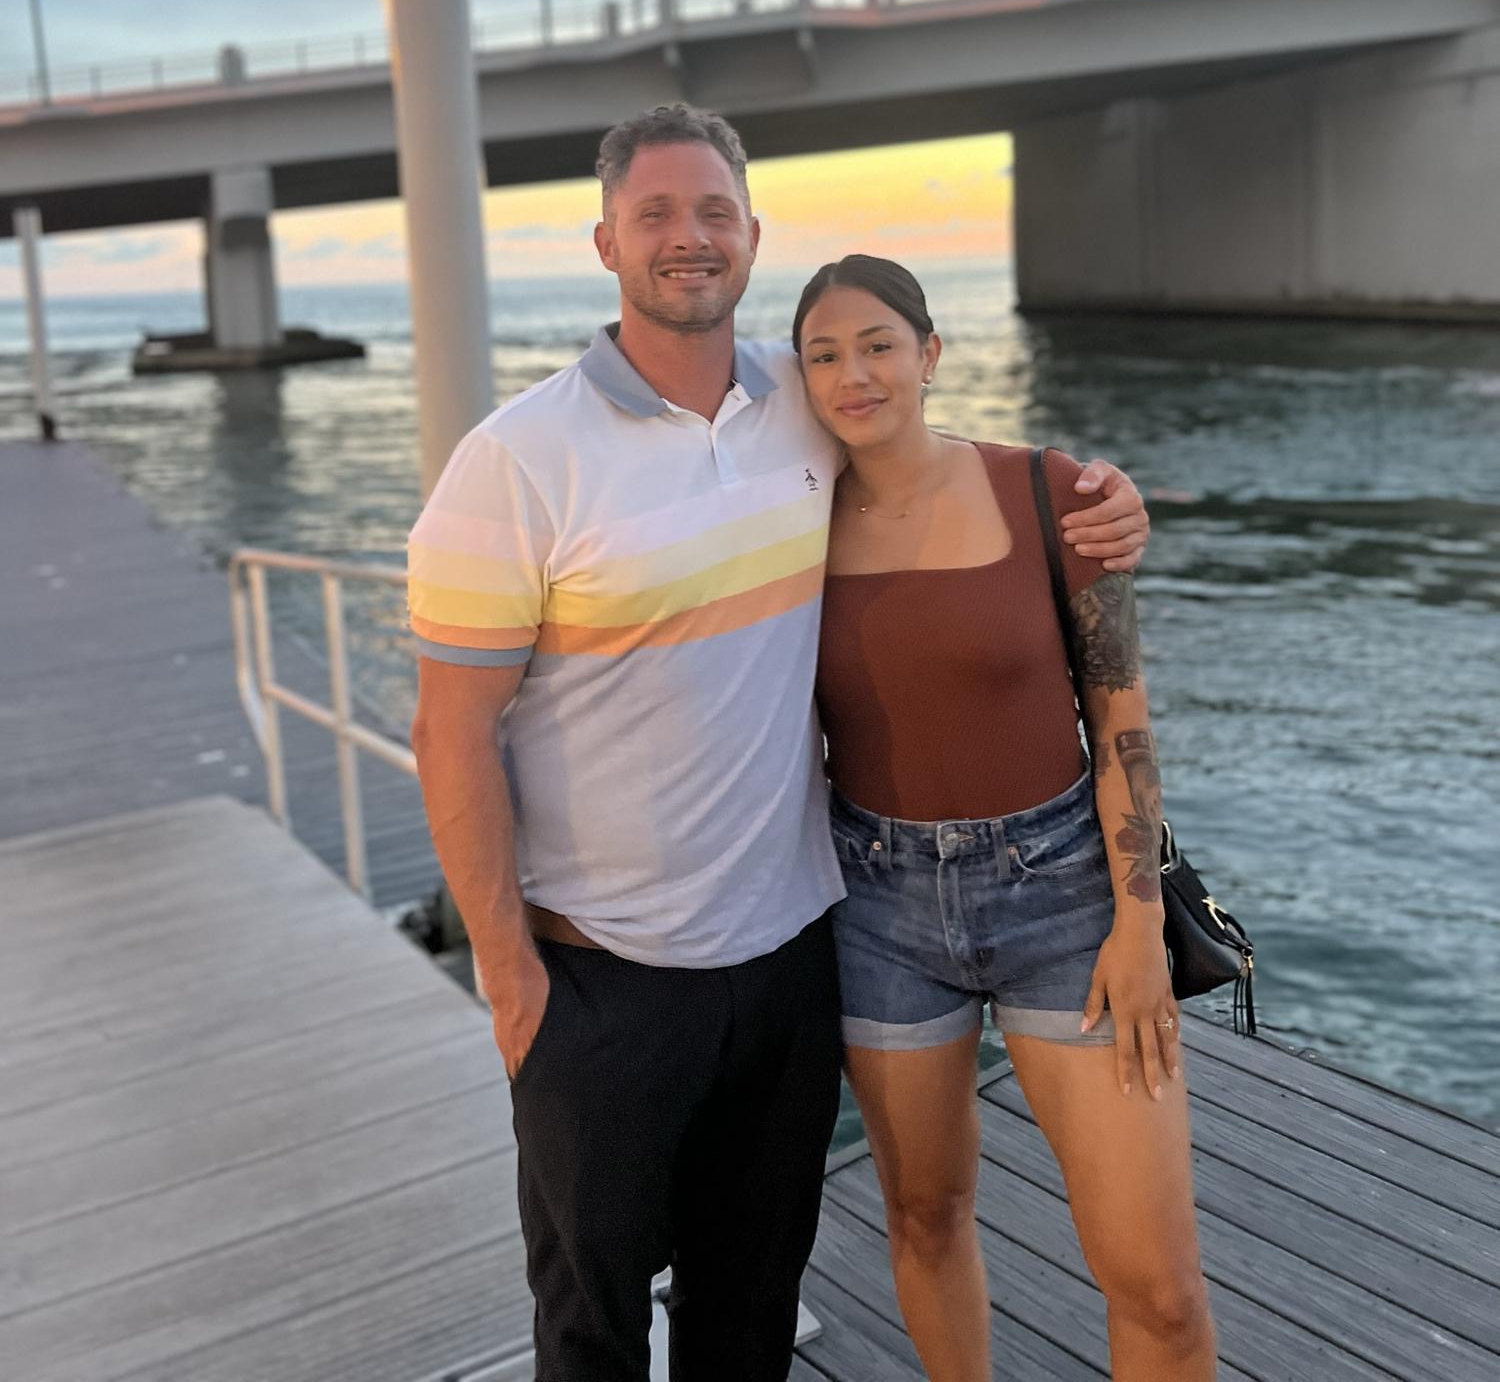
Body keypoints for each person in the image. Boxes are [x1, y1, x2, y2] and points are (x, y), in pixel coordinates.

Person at [407, 104, 1151, 1382]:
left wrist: (1097, 494)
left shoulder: (806, 410)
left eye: (712, 213)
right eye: (655, 214)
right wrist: (510, 978)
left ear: (750, 237)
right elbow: (451, 729)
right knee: (591, 1326)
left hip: (799, 952)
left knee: (749, 1311)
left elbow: (933, 466)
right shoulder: (514, 461)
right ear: (605, 241)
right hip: (605, 978)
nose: (686, 239)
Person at [793, 252, 1216, 1382]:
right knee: (925, 1216)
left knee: (1159, 1286)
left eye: (879, 343)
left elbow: (1121, 718)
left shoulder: (1057, 492)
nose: (854, 372)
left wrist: (1137, 932)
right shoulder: (784, 528)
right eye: (824, 353)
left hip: (1067, 893)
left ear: (930, 355)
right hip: (876, 903)